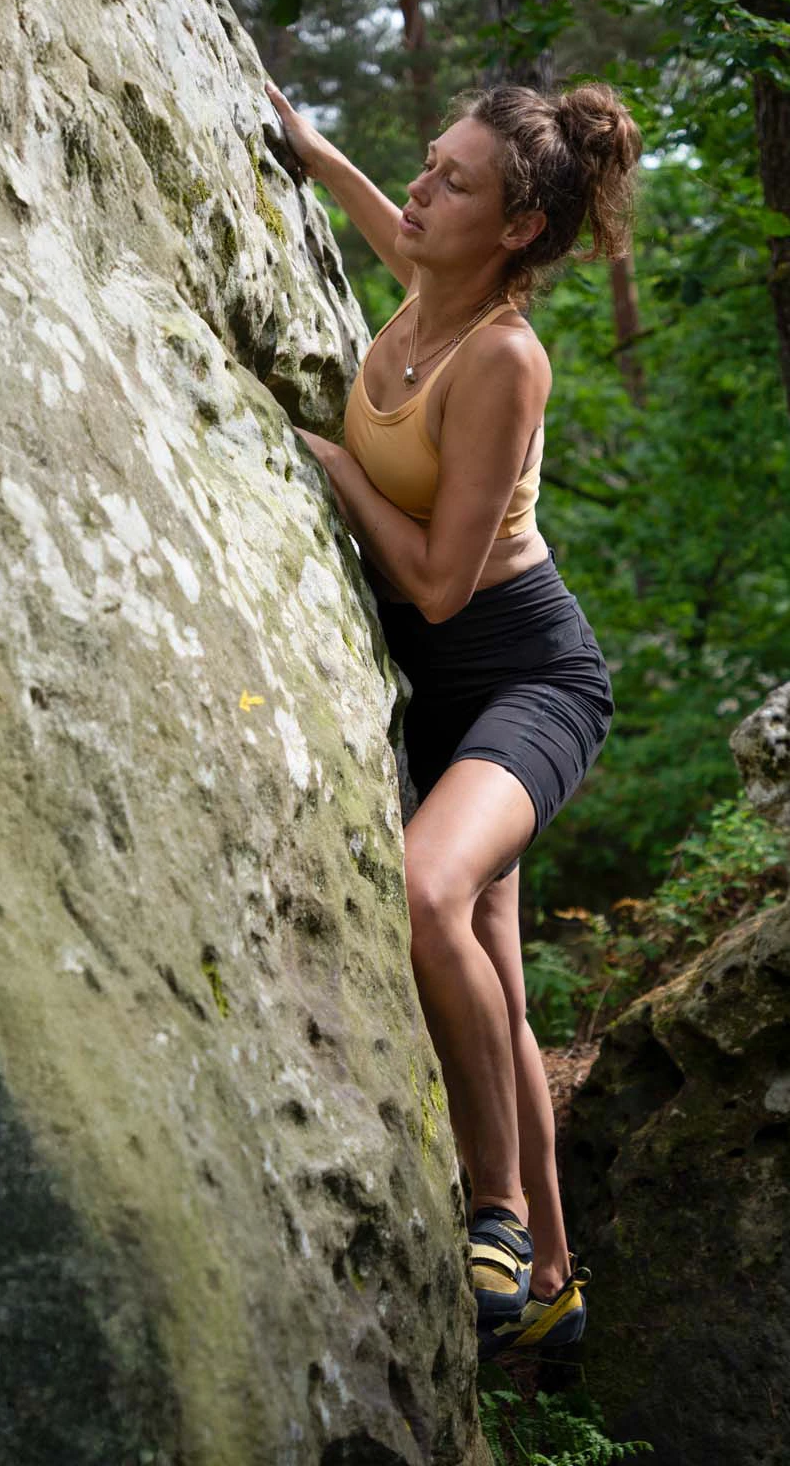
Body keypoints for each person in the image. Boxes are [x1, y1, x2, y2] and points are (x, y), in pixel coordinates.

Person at [265, 76, 641, 1359]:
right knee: (505, 989)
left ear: (520, 232)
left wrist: (331, 463)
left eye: (455, 182)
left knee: (429, 891)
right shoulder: (430, 289)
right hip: (445, 691)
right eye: (426, 165)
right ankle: (557, 1284)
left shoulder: (502, 357)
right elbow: (392, 232)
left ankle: (494, 1216)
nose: (421, 193)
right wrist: (314, 153)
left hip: (528, 676)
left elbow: (434, 577)